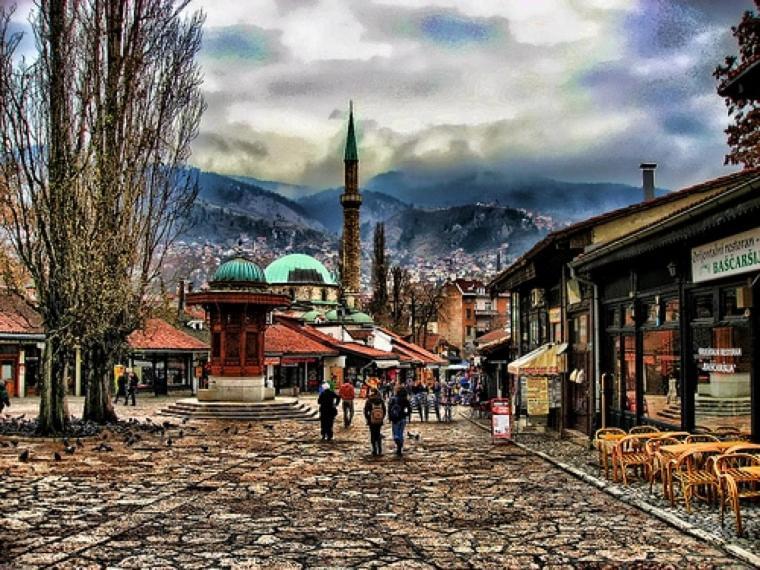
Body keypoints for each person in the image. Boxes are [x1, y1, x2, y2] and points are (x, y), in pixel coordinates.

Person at [388, 386, 412, 457]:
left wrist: (390, 417)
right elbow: (409, 409)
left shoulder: (393, 399)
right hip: (403, 418)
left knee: (395, 433)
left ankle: (397, 441)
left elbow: (389, 409)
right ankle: (399, 448)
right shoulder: (405, 399)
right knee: (401, 433)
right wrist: (406, 414)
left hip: (395, 419)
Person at [363, 388, 386, 456]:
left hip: (371, 420)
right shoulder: (381, 400)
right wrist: (381, 417)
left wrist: (368, 418)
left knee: (373, 434)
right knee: (378, 433)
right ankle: (380, 449)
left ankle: (374, 450)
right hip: (379, 420)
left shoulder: (369, 400)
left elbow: (365, 411)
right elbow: (384, 410)